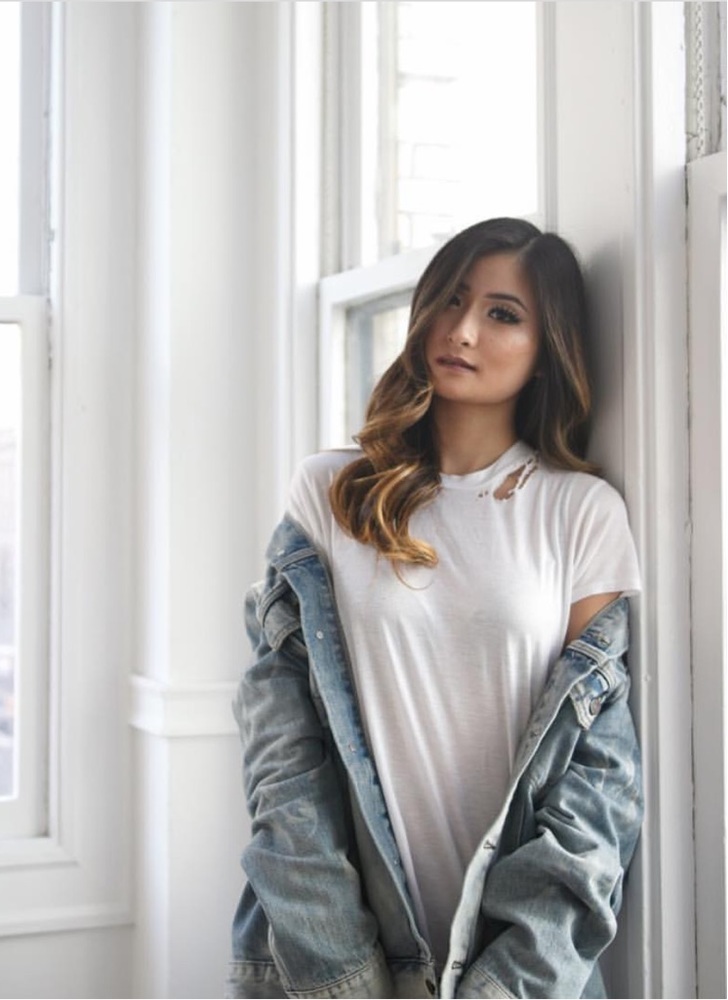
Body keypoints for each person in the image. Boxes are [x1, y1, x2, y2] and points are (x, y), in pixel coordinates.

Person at [228, 218, 643, 999]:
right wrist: (344, 971)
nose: (461, 331)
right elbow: (282, 751)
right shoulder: (329, 491)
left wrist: (505, 982)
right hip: (333, 954)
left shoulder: (581, 511)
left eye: (501, 314)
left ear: (547, 346)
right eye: (450, 302)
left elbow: (599, 781)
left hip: (518, 967)